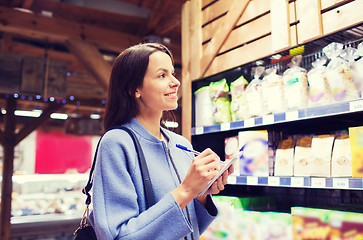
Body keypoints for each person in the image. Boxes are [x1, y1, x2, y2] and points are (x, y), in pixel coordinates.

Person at [89, 42, 234, 240]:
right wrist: (186, 190)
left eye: (172, 73)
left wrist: (201, 194)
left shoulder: (180, 143)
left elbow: (188, 229)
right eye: (162, 75)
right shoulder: (117, 143)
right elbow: (117, 236)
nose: (176, 82)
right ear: (134, 89)